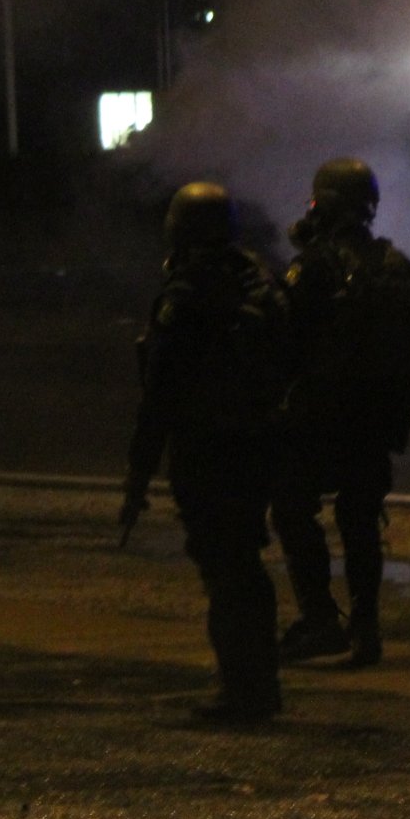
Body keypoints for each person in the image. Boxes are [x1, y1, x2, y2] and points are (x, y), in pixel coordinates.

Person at [124, 182, 291, 724]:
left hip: (207, 452)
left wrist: (139, 472)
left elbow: (160, 393)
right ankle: (260, 682)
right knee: (246, 564)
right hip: (257, 446)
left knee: (225, 571)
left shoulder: (188, 293)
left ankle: (241, 690)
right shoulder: (260, 283)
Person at [270, 157, 410, 667]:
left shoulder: (313, 266)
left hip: (320, 418)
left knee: (294, 509)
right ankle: (366, 629)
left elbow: (284, 340)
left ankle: (320, 620)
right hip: (376, 421)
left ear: (327, 205)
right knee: (361, 520)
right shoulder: (399, 267)